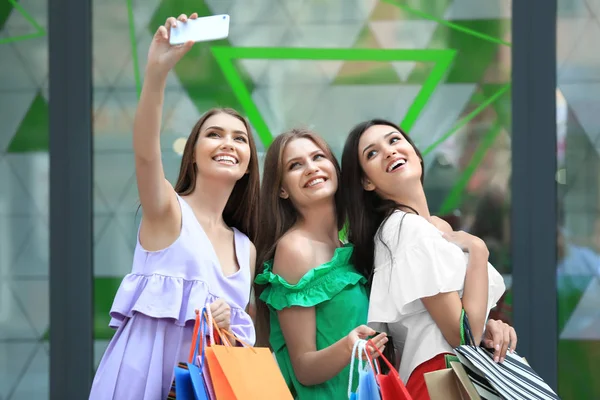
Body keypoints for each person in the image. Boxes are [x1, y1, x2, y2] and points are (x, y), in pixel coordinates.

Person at [89, 13, 260, 400]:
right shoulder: (168, 210)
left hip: (206, 389)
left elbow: (239, 344)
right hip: (143, 380)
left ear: (249, 162)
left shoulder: (245, 247)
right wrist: (156, 73)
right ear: (194, 155)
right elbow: (146, 154)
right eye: (214, 134)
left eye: (240, 138)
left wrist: (227, 321)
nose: (228, 143)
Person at [340, 119, 514, 399]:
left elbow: (467, 326)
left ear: (415, 152)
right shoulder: (404, 229)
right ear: (366, 181)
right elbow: (461, 335)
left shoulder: (432, 228)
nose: (389, 151)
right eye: (372, 153)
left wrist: (491, 329)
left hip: (446, 375)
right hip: (440, 378)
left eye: (394, 140)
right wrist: (479, 252)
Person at [253, 128, 388, 399]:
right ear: (281, 189)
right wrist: (348, 347)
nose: (311, 168)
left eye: (318, 157)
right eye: (295, 165)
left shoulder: (350, 246)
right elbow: (304, 367)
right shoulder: (294, 249)